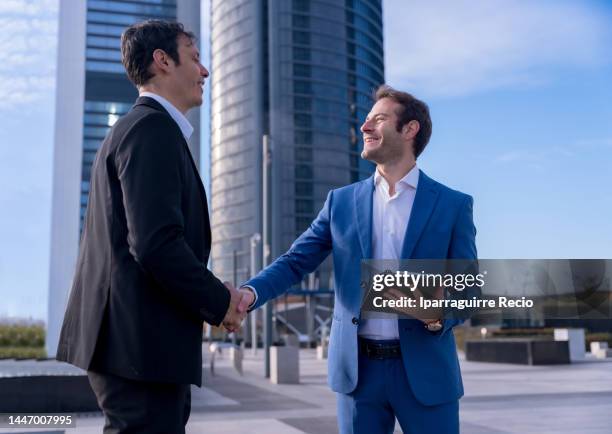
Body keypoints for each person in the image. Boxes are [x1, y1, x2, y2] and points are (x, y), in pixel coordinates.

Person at [238, 85, 477, 434]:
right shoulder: (341, 202)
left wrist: (438, 314)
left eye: (378, 119)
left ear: (410, 129)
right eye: (365, 121)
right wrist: (249, 294)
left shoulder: (453, 205)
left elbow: (468, 289)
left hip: (427, 374)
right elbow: (295, 262)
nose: (364, 127)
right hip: (358, 375)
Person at [56, 20, 250, 434]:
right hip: (140, 348)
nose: (205, 71)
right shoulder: (151, 129)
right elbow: (157, 243)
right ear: (163, 61)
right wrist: (221, 302)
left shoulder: (142, 130)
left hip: (138, 347)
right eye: (195, 58)